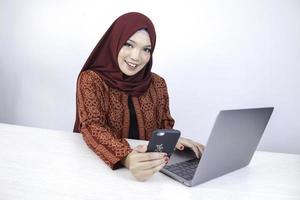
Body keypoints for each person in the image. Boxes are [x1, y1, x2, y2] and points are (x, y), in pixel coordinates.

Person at [73, 12, 204, 181]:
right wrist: (127, 158)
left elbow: (163, 127)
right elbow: (93, 127)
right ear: (115, 42)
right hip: (98, 173)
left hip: (149, 173)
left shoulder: (157, 83)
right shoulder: (91, 79)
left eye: (146, 49)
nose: (136, 56)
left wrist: (175, 141)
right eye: (128, 44)